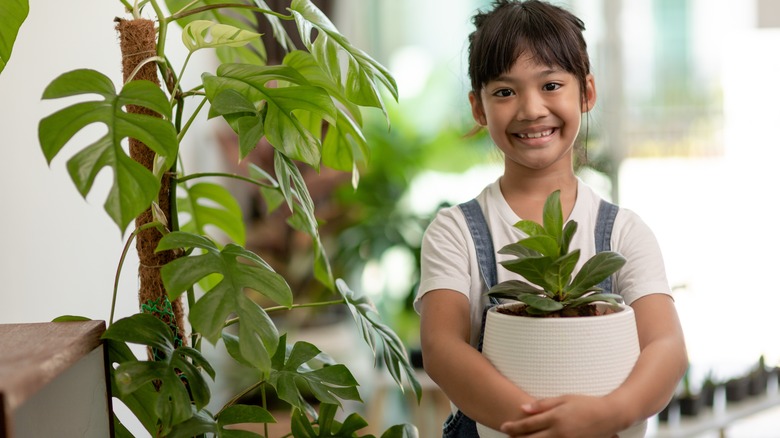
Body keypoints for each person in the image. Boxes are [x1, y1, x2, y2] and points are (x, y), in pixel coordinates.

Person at [414, 1, 688, 437]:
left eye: (551, 84)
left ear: (587, 93)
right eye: (505, 91)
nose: (530, 109)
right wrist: (546, 426)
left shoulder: (623, 232)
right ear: (478, 107)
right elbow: (441, 348)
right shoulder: (456, 231)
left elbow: (667, 347)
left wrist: (609, 414)